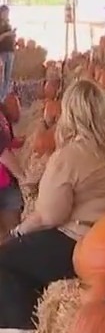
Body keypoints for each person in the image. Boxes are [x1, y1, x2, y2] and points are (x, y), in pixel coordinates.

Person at [0, 80, 105, 333]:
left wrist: (19, 231)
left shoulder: (68, 156)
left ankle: (25, 331)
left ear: (69, 115)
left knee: (6, 258)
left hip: (84, 244)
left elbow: (49, 216)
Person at [0, 103, 27, 240]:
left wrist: (16, 142)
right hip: (5, 185)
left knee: (10, 234)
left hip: (6, 182)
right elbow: (3, 153)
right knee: (12, 233)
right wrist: (24, 178)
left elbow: (5, 141)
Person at [0, 6, 15, 101]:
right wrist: (8, 34)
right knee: (2, 76)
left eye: (8, 13)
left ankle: (4, 98)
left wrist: (13, 36)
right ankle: (1, 98)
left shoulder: (8, 23)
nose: (6, 15)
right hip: (2, 51)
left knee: (8, 76)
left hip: (10, 51)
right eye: (5, 13)